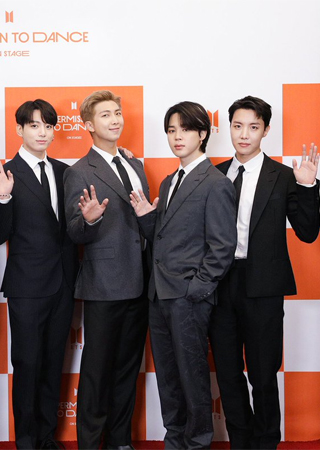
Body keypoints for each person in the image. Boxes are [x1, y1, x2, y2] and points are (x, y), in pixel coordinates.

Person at [208, 96, 320, 449]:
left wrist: (308, 186)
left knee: (263, 374)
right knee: (228, 374)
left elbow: (307, 232)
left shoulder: (284, 176)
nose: (244, 134)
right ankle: (241, 442)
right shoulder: (214, 174)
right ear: (229, 128)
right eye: (238, 126)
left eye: (253, 127)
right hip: (220, 284)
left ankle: (266, 442)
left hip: (264, 288)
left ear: (266, 130)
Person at [130, 101, 237, 449]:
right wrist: (147, 218)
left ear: (203, 134)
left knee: (192, 376)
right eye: (171, 130)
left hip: (188, 298)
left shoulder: (215, 183)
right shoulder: (169, 181)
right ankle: (174, 440)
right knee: (169, 378)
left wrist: (197, 289)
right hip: (158, 294)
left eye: (186, 129)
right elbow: (164, 237)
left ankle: (198, 442)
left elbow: (222, 246)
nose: (177, 137)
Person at [63, 90, 150, 450]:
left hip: (141, 281)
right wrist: (88, 220)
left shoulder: (135, 164)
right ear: (88, 125)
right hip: (104, 284)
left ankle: (119, 440)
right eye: (105, 115)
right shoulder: (78, 171)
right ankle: (89, 443)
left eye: (117, 113)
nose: (114, 120)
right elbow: (74, 231)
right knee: (97, 371)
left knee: (128, 368)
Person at [0, 99, 77, 449]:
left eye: (48, 126)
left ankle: (47, 438)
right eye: (35, 125)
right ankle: (26, 441)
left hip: (63, 283)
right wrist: (3, 198)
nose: (43, 132)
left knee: (53, 364)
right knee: (27, 365)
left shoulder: (65, 172)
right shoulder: (5, 173)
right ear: (20, 129)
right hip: (26, 286)